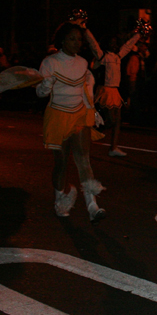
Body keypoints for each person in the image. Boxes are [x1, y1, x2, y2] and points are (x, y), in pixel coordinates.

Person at [36, 22, 107, 223]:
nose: (77, 43)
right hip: (57, 116)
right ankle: (60, 202)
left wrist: (92, 112)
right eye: (72, 39)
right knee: (61, 164)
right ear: (62, 41)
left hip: (79, 114)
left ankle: (92, 206)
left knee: (84, 160)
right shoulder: (50, 62)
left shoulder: (83, 63)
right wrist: (45, 85)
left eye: (79, 39)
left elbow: (85, 90)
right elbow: (40, 93)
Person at [88, 29, 141, 156]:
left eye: (115, 43)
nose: (114, 45)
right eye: (111, 43)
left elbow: (127, 46)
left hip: (115, 90)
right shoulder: (102, 56)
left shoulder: (118, 56)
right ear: (106, 44)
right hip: (105, 89)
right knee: (111, 120)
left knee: (118, 120)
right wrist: (85, 30)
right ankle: (90, 133)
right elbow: (93, 44)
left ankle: (113, 147)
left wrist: (139, 35)